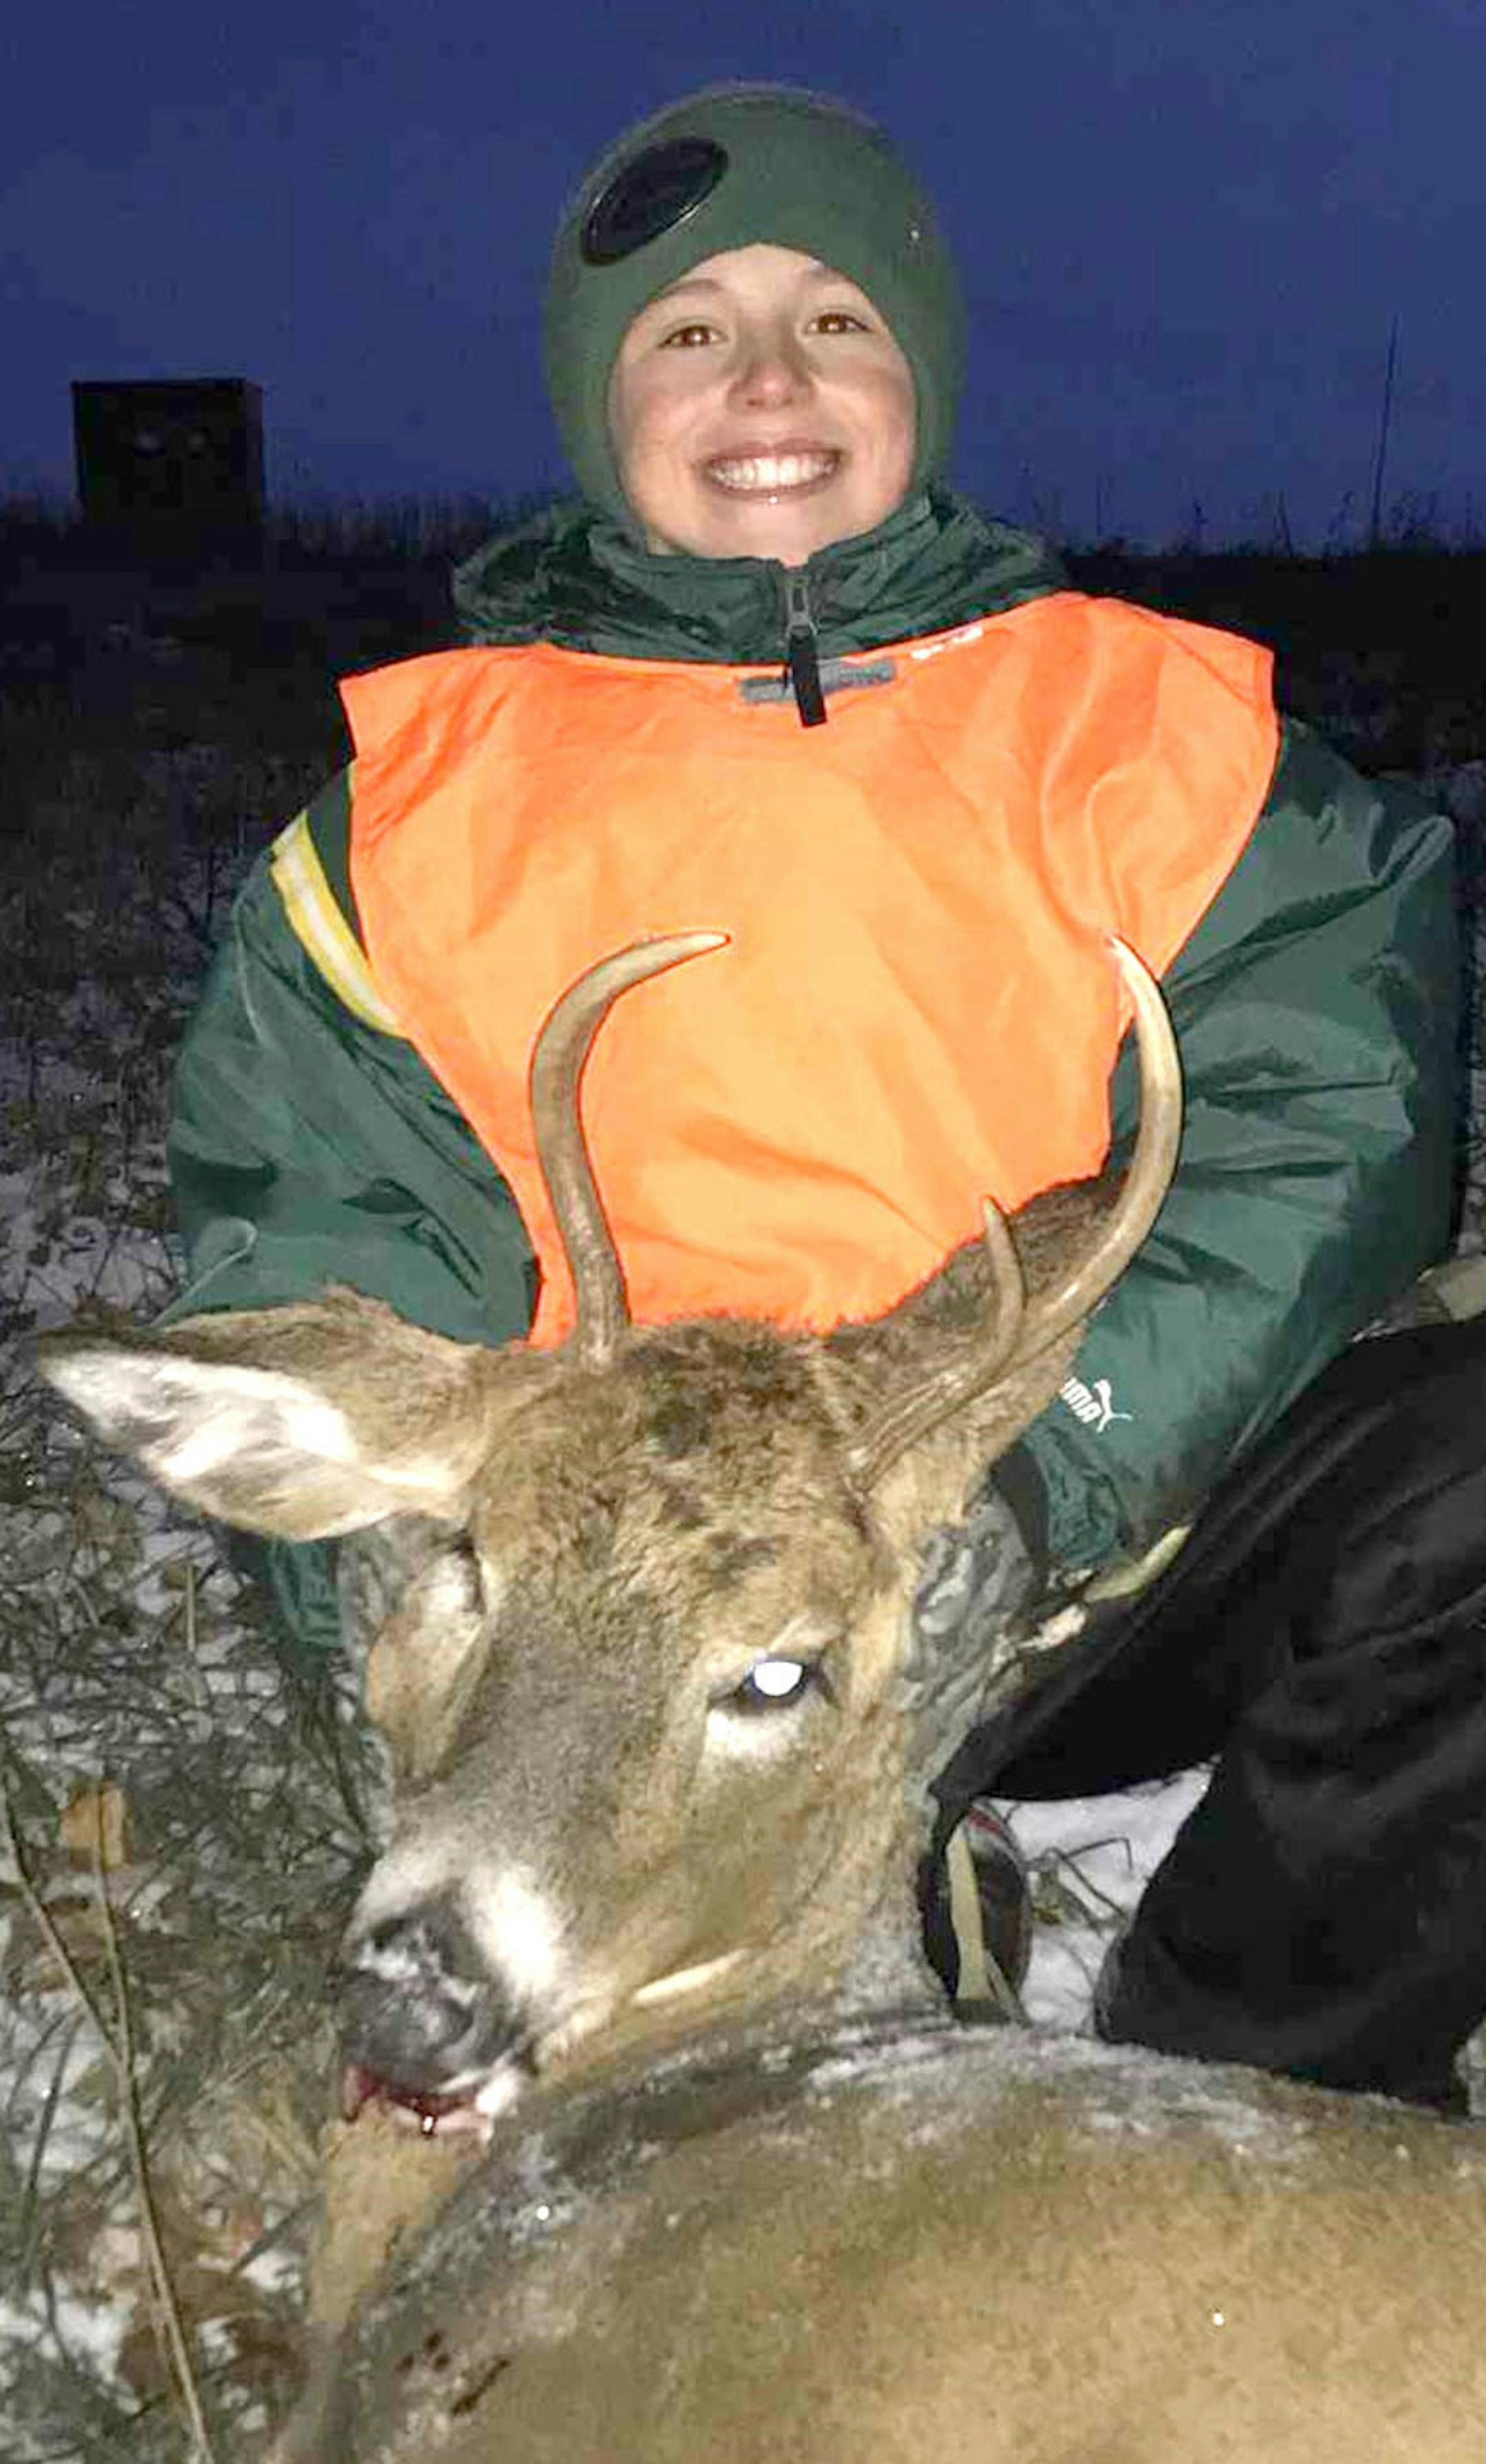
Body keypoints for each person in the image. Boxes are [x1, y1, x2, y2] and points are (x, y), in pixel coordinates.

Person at [164, 83, 1480, 2111]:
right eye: (689, 331)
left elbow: (1338, 1110)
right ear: (597, 399)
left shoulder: (1134, 728)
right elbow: (318, 1228)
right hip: (628, 1646)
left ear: (921, 379)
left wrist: (1046, 1482)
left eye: (838, 322)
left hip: (1060, 1557)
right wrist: (433, 1618)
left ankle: (1225, 2092)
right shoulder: (414, 827)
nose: (768, 379)